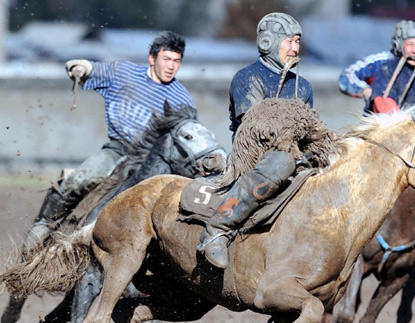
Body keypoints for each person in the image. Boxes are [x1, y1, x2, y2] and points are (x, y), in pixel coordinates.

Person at [25, 31, 195, 249]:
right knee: (80, 180)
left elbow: (187, 137)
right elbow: (91, 68)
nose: (171, 66)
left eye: (176, 61)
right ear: (152, 58)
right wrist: (80, 67)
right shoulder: (124, 73)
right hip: (119, 149)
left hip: (155, 160)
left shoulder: (182, 98)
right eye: (167, 59)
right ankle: (43, 226)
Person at [197, 12, 316, 269]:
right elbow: (256, 125)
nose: (296, 48)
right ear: (268, 43)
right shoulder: (247, 78)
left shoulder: (303, 86)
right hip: (254, 158)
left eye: (297, 42)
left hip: (294, 155)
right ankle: (217, 229)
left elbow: (309, 128)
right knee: (281, 161)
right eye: (289, 42)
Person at [341, 20, 415, 258]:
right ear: (399, 45)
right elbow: (384, 107)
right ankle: (352, 231)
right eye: (409, 44)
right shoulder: (386, 69)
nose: (414, 49)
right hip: (388, 144)